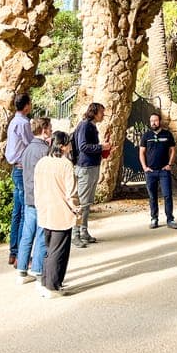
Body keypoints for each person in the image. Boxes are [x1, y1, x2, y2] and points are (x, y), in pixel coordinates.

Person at [35, 131, 81, 297]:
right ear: (62, 146)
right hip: (61, 211)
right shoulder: (65, 165)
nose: (70, 146)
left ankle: (46, 281)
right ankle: (52, 287)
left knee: (49, 248)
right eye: (68, 143)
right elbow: (71, 192)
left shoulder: (41, 163)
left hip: (45, 210)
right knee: (59, 250)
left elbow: (37, 188)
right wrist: (77, 209)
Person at [16, 117, 52, 284]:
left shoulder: (28, 149)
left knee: (27, 233)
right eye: (50, 127)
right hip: (42, 195)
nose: (51, 130)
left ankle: (22, 269)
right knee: (42, 233)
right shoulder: (45, 150)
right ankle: (38, 268)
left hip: (29, 195)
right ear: (44, 129)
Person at [71, 102, 111, 247]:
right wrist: (101, 147)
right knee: (82, 203)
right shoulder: (85, 125)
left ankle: (84, 231)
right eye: (101, 112)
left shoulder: (91, 126)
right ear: (94, 112)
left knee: (87, 203)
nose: (103, 115)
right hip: (85, 167)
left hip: (92, 166)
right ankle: (75, 234)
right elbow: (82, 146)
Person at [4, 93, 33, 266]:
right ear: (27, 105)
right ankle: (22, 256)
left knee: (16, 213)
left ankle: (13, 252)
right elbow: (30, 144)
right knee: (23, 213)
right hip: (22, 170)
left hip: (15, 168)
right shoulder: (23, 123)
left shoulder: (14, 121)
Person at [140, 112, 177, 229]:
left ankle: (170, 219)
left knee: (167, 195)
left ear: (160, 121)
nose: (153, 123)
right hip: (150, 172)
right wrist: (144, 167)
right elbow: (141, 152)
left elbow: (173, 150)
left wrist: (169, 164)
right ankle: (154, 218)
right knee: (152, 196)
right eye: (151, 120)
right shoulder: (146, 136)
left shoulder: (167, 134)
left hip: (164, 171)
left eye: (156, 120)